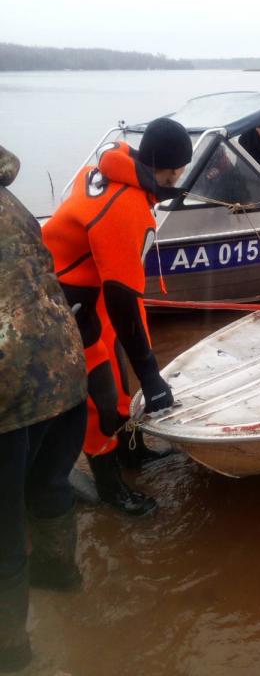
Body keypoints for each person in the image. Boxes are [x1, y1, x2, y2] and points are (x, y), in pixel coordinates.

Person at [42, 118, 192, 517]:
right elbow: (123, 300)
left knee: (119, 376)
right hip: (70, 301)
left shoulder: (116, 165)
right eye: (180, 172)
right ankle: (111, 490)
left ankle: (132, 454)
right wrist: (152, 377)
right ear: (172, 170)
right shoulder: (127, 207)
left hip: (91, 286)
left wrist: (141, 367)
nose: (179, 178)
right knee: (102, 399)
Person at [0, 145, 88, 672]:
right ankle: (60, 577)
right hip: (63, 367)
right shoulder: (10, 200)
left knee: (3, 532)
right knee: (48, 485)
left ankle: (10, 652)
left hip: (8, 389)